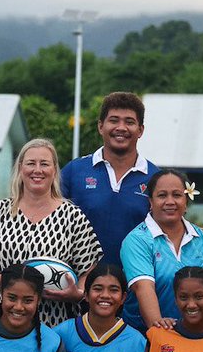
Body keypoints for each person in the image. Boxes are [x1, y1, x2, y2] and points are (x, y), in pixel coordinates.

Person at [0, 138, 102, 327]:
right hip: (3, 319)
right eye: (31, 163)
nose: (37, 170)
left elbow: (88, 273)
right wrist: (15, 283)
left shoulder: (73, 216)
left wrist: (77, 293)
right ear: (20, 168)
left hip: (54, 322)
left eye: (44, 164)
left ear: (54, 170)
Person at [60, 92, 160, 265]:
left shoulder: (155, 177)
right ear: (101, 126)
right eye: (114, 120)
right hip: (82, 279)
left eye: (129, 122)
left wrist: (200, 238)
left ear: (140, 130)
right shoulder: (74, 171)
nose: (121, 127)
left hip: (136, 278)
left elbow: (169, 226)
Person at [120, 168, 203, 332]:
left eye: (177, 195)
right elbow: (143, 288)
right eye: (162, 195)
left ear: (186, 201)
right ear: (150, 202)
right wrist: (160, 329)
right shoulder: (137, 240)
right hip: (147, 336)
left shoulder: (202, 239)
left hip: (195, 337)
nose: (170, 201)